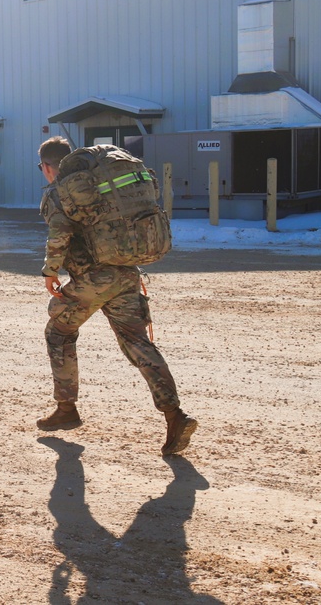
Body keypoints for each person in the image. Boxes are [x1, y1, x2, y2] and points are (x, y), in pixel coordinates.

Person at [35, 136, 197, 456]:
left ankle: (66, 409)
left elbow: (60, 235)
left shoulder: (60, 192)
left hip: (94, 279)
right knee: (137, 341)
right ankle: (175, 415)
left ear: (47, 167)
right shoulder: (98, 183)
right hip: (125, 272)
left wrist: (50, 271)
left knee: (58, 330)